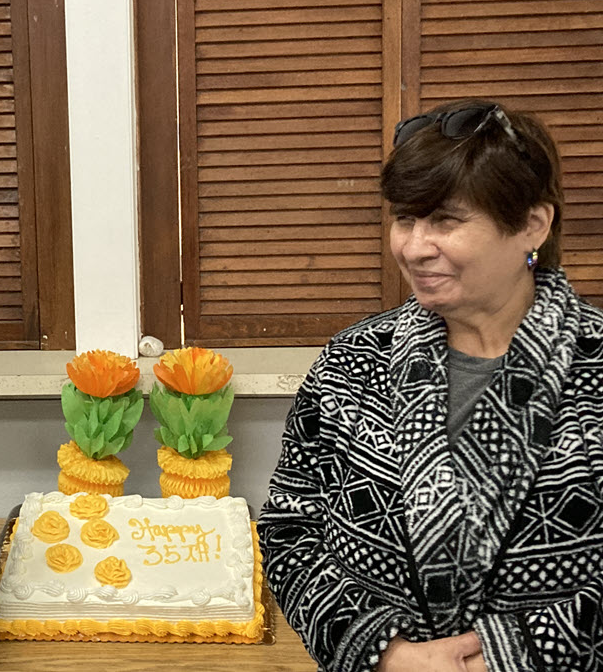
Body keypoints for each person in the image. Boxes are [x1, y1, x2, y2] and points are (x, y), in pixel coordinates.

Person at [258, 99, 603, 671]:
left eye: (445, 219)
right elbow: (290, 527)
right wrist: (384, 653)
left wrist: (511, 654)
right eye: (404, 218)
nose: (414, 247)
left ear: (532, 226)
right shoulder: (353, 361)